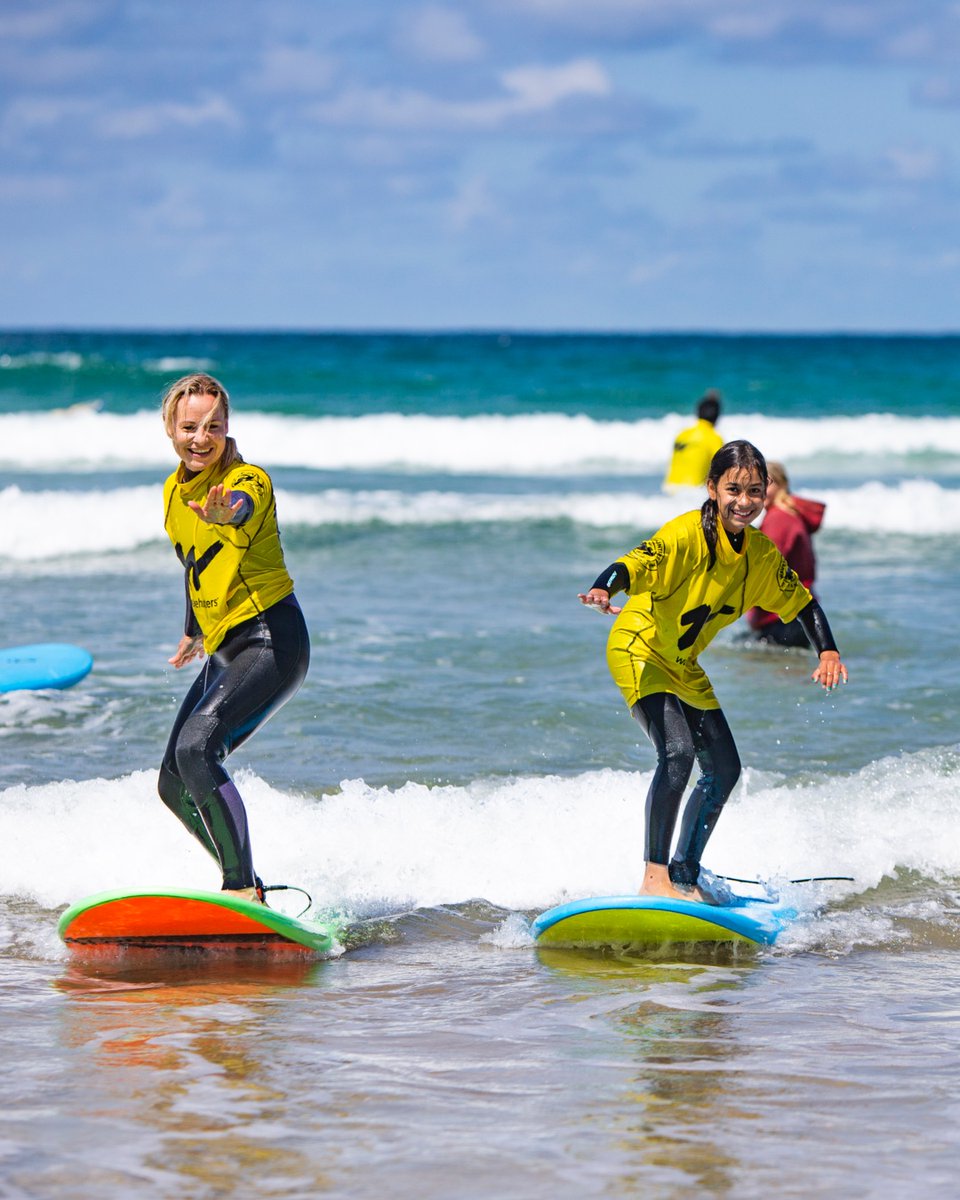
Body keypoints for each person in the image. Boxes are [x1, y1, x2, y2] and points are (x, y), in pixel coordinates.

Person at [579, 440, 847, 903]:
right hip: (638, 649)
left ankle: (685, 872)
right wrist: (604, 587)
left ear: (766, 493)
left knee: (725, 768)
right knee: (678, 754)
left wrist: (827, 651)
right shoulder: (684, 536)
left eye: (755, 491)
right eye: (734, 489)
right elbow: (633, 562)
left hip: (682, 663)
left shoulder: (759, 555)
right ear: (712, 488)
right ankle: (654, 878)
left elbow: (803, 604)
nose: (744, 501)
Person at [157, 373, 310, 903]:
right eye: (190, 426)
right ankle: (248, 884)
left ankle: (240, 887)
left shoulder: (250, 481)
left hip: (271, 639)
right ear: (170, 429)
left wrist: (228, 511)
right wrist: (192, 629)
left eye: (214, 426)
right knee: (174, 781)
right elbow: (193, 561)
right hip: (224, 648)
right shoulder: (174, 493)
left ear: (228, 429)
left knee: (198, 748)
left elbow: (237, 510)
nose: (201, 437)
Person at [746, 461, 826, 648]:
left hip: (781, 618)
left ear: (782, 484)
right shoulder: (791, 513)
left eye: (767, 483)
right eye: (755, 486)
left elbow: (763, 569)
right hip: (797, 615)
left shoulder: (779, 518)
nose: (760, 490)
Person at [663, 390, 724, 491]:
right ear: (717, 417)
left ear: (697, 413)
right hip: (693, 492)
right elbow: (722, 469)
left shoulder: (682, 435)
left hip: (669, 488)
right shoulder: (714, 438)